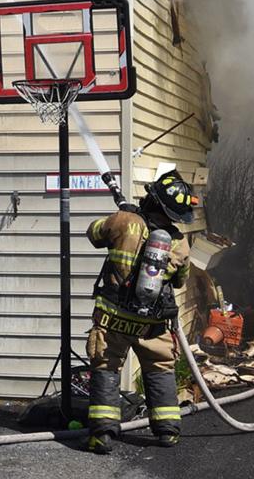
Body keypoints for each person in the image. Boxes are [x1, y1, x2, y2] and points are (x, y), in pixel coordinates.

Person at [85, 171, 193, 453]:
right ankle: (168, 431)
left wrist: (122, 218)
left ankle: (103, 435)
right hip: (153, 324)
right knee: (159, 369)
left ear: (152, 199)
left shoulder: (124, 221)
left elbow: (93, 233)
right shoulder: (179, 242)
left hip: (114, 318)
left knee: (106, 367)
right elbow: (180, 280)